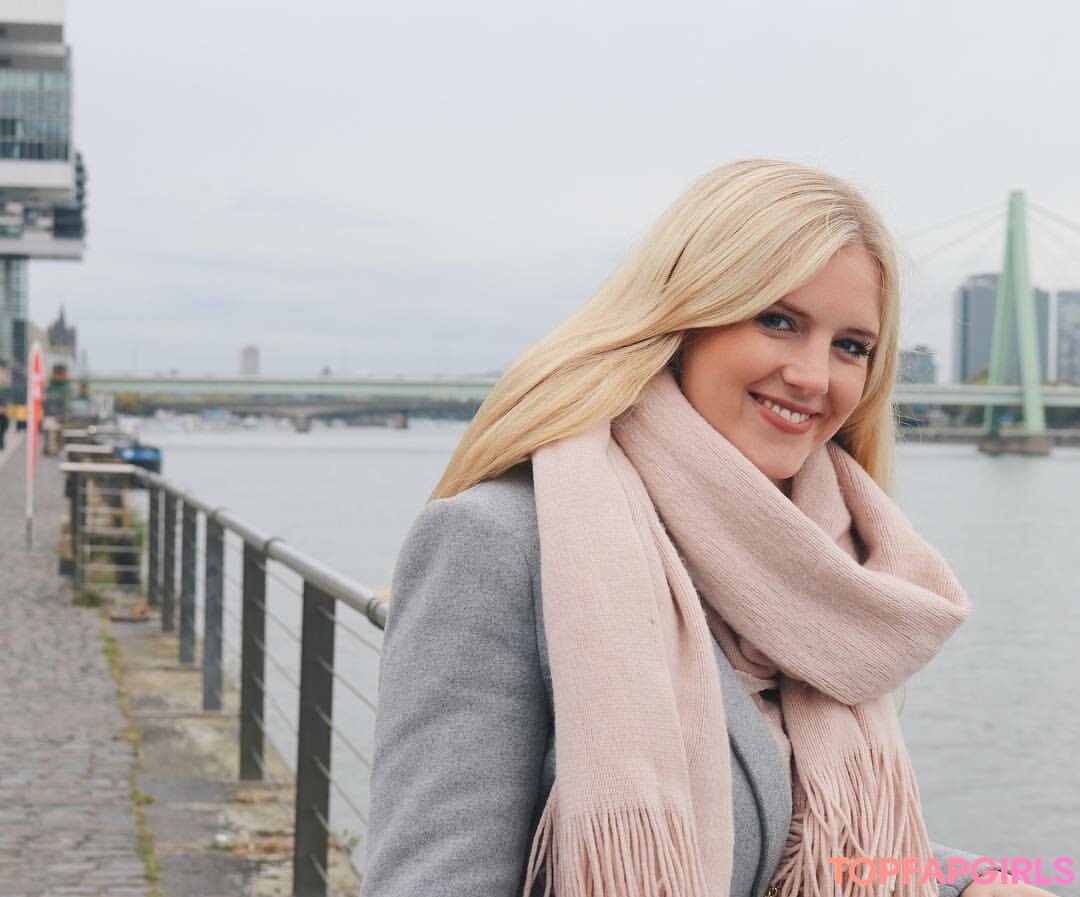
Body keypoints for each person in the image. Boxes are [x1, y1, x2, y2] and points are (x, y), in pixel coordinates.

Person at [361, 160, 1052, 897]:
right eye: (779, 321)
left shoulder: (830, 572)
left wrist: (977, 883)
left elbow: (804, 842)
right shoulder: (500, 543)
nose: (815, 377)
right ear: (685, 318)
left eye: (851, 346)